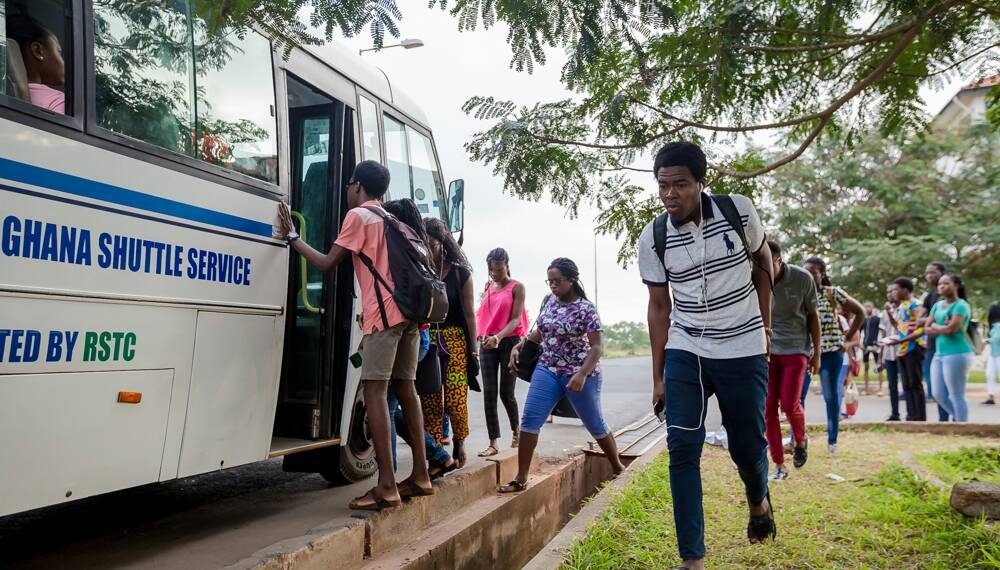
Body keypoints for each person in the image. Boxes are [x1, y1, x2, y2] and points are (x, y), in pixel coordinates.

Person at [637, 142, 775, 570]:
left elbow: (764, 266)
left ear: (701, 182)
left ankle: (758, 502)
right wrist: (658, 376)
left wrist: (765, 330)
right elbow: (660, 307)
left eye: (680, 184)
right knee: (682, 447)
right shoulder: (654, 237)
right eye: (663, 186)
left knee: (748, 446)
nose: (670, 194)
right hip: (687, 348)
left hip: (742, 347)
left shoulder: (739, 212)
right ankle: (692, 559)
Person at [276, 161, 433, 509]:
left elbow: (328, 263)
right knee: (406, 388)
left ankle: (387, 485)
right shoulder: (394, 220)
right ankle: (421, 475)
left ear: (357, 186)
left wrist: (293, 238)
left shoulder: (359, 217)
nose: (348, 191)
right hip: (410, 317)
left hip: (384, 317)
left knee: (375, 391)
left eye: (349, 184)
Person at [501, 258, 624, 492]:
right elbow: (539, 332)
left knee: (594, 423)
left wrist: (581, 374)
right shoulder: (548, 300)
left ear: (571, 280)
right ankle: (521, 477)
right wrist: (520, 345)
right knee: (530, 420)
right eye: (550, 282)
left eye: (558, 281)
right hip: (547, 368)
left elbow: (596, 347)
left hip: (579, 371)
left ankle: (618, 467)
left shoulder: (586, 309)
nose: (553, 286)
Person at [381, 199, 458, 478]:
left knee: (386, 405)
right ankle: (438, 457)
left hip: (411, 334)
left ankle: (388, 478)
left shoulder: (404, 251)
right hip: (419, 334)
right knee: (394, 404)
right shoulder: (419, 250)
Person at [423, 218, 477, 468]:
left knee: (455, 400)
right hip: (426, 339)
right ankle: (435, 454)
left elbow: (469, 314)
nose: (428, 246)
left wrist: (472, 350)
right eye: (424, 241)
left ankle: (459, 441)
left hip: (454, 340)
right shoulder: (419, 268)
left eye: (432, 242)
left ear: (442, 242)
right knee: (430, 399)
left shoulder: (460, 273)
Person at [764, 240, 820, 481]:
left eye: (767, 264)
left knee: (789, 403)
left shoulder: (802, 278)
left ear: (778, 260)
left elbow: (813, 316)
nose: (761, 269)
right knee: (768, 409)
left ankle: (801, 440)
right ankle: (778, 463)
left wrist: (816, 352)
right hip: (767, 352)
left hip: (796, 350)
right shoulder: (757, 278)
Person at [802, 257, 865, 453]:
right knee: (798, 397)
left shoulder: (832, 293)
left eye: (813, 272)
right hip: (805, 353)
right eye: (806, 272)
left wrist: (846, 340)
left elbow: (860, 312)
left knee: (830, 397)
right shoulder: (800, 293)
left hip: (831, 353)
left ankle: (832, 441)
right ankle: (799, 441)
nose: (809, 276)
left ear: (822, 273)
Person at [475, 248, 528, 457]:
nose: (494, 273)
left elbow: (515, 319)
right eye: (491, 269)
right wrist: (484, 337)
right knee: (489, 393)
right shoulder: (488, 286)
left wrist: (499, 337)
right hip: (488, 343)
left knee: (506, 393)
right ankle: (493, 442)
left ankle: (517, 431)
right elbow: (483, 316)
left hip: (509, 342)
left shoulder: (517, 287)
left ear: (506, 265)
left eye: (498, 269)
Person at [926, 274, 975, 422]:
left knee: (956, 394)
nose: (941, 286)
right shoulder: (937, 305)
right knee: (938, 394)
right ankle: (962, 422)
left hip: (958, 353)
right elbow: (927, 328)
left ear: (956, 286)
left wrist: (937, 326)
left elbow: (951, 330)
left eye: (946, 283)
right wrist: (940, 326)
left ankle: (962, 427)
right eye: (940, 284)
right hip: (939, 354)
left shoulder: (961, 305)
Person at [884, 277, 927, 422]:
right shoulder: (903, 306)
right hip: (902, 349)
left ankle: (920, 418)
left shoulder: (916, 305)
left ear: (905, 290)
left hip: (914, 348)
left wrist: (901, 340)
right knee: (907, 385)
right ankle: (911, 416)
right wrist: (890, 314)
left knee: (915, 384)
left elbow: (921, 329)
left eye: (896, 289)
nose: (893, 293)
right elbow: (900, 327)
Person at [6, 15, 66, 114]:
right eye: (58, 52)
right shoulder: (58, 101)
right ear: (38, 51)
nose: (63, 61)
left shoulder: (6, 93)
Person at [922, 262, 949, 421]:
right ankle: (943, 419)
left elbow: (950, 322)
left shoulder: (952, 294)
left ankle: (956, 421)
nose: (929, 276)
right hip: (932, 345)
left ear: (942, 272)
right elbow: (923, 318)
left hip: (949, 345)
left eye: (932, 272)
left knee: (948, 387)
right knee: (936, 386)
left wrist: (930, 324)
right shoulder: (930, 296)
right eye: (927, 273)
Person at [879, 284, 903, 421]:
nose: (890, 294)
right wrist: (880, 358)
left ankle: (912, 414)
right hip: (889, 354)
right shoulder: (884, 314)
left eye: (892, 291)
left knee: (907, 384)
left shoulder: (904, 309)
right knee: (892, 386)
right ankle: (895, 414)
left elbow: (901, 328)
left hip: (902, 352)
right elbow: (883, 336)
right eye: (888, 292)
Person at [861, 302, 884, 396]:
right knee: (866, 367)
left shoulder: (877, 319)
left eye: (869, 306)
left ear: (873, 307)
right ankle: (866, 389)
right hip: (865, 346)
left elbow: (883, 332)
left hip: (875, 346)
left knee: (879, 367)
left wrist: (878, 344)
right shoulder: (863, 320)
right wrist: (860, 345)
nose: (867, 308)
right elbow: (859, 332)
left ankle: (880, 389)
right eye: (866, 306)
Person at [986, 304, 1000, 406]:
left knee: (992, 375)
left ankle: (991, 396)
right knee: (990, 375)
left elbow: (996, 338)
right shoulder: (993, 326)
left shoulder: (998, 326)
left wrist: (986, 340)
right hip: (993, 354)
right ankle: (991, 396)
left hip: (998, 354)